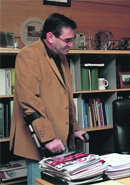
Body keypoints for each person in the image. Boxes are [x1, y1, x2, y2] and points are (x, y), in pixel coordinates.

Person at [9, 13, 86, 185]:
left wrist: (75, 128)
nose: (71, 45)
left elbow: (66, 98)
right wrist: (48, 138)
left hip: (62, 136)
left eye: (72, 40)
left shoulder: (62, 58)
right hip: (42, 140)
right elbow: (29, 101)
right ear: (50, 37)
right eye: (67, 40)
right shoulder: (28, 55)